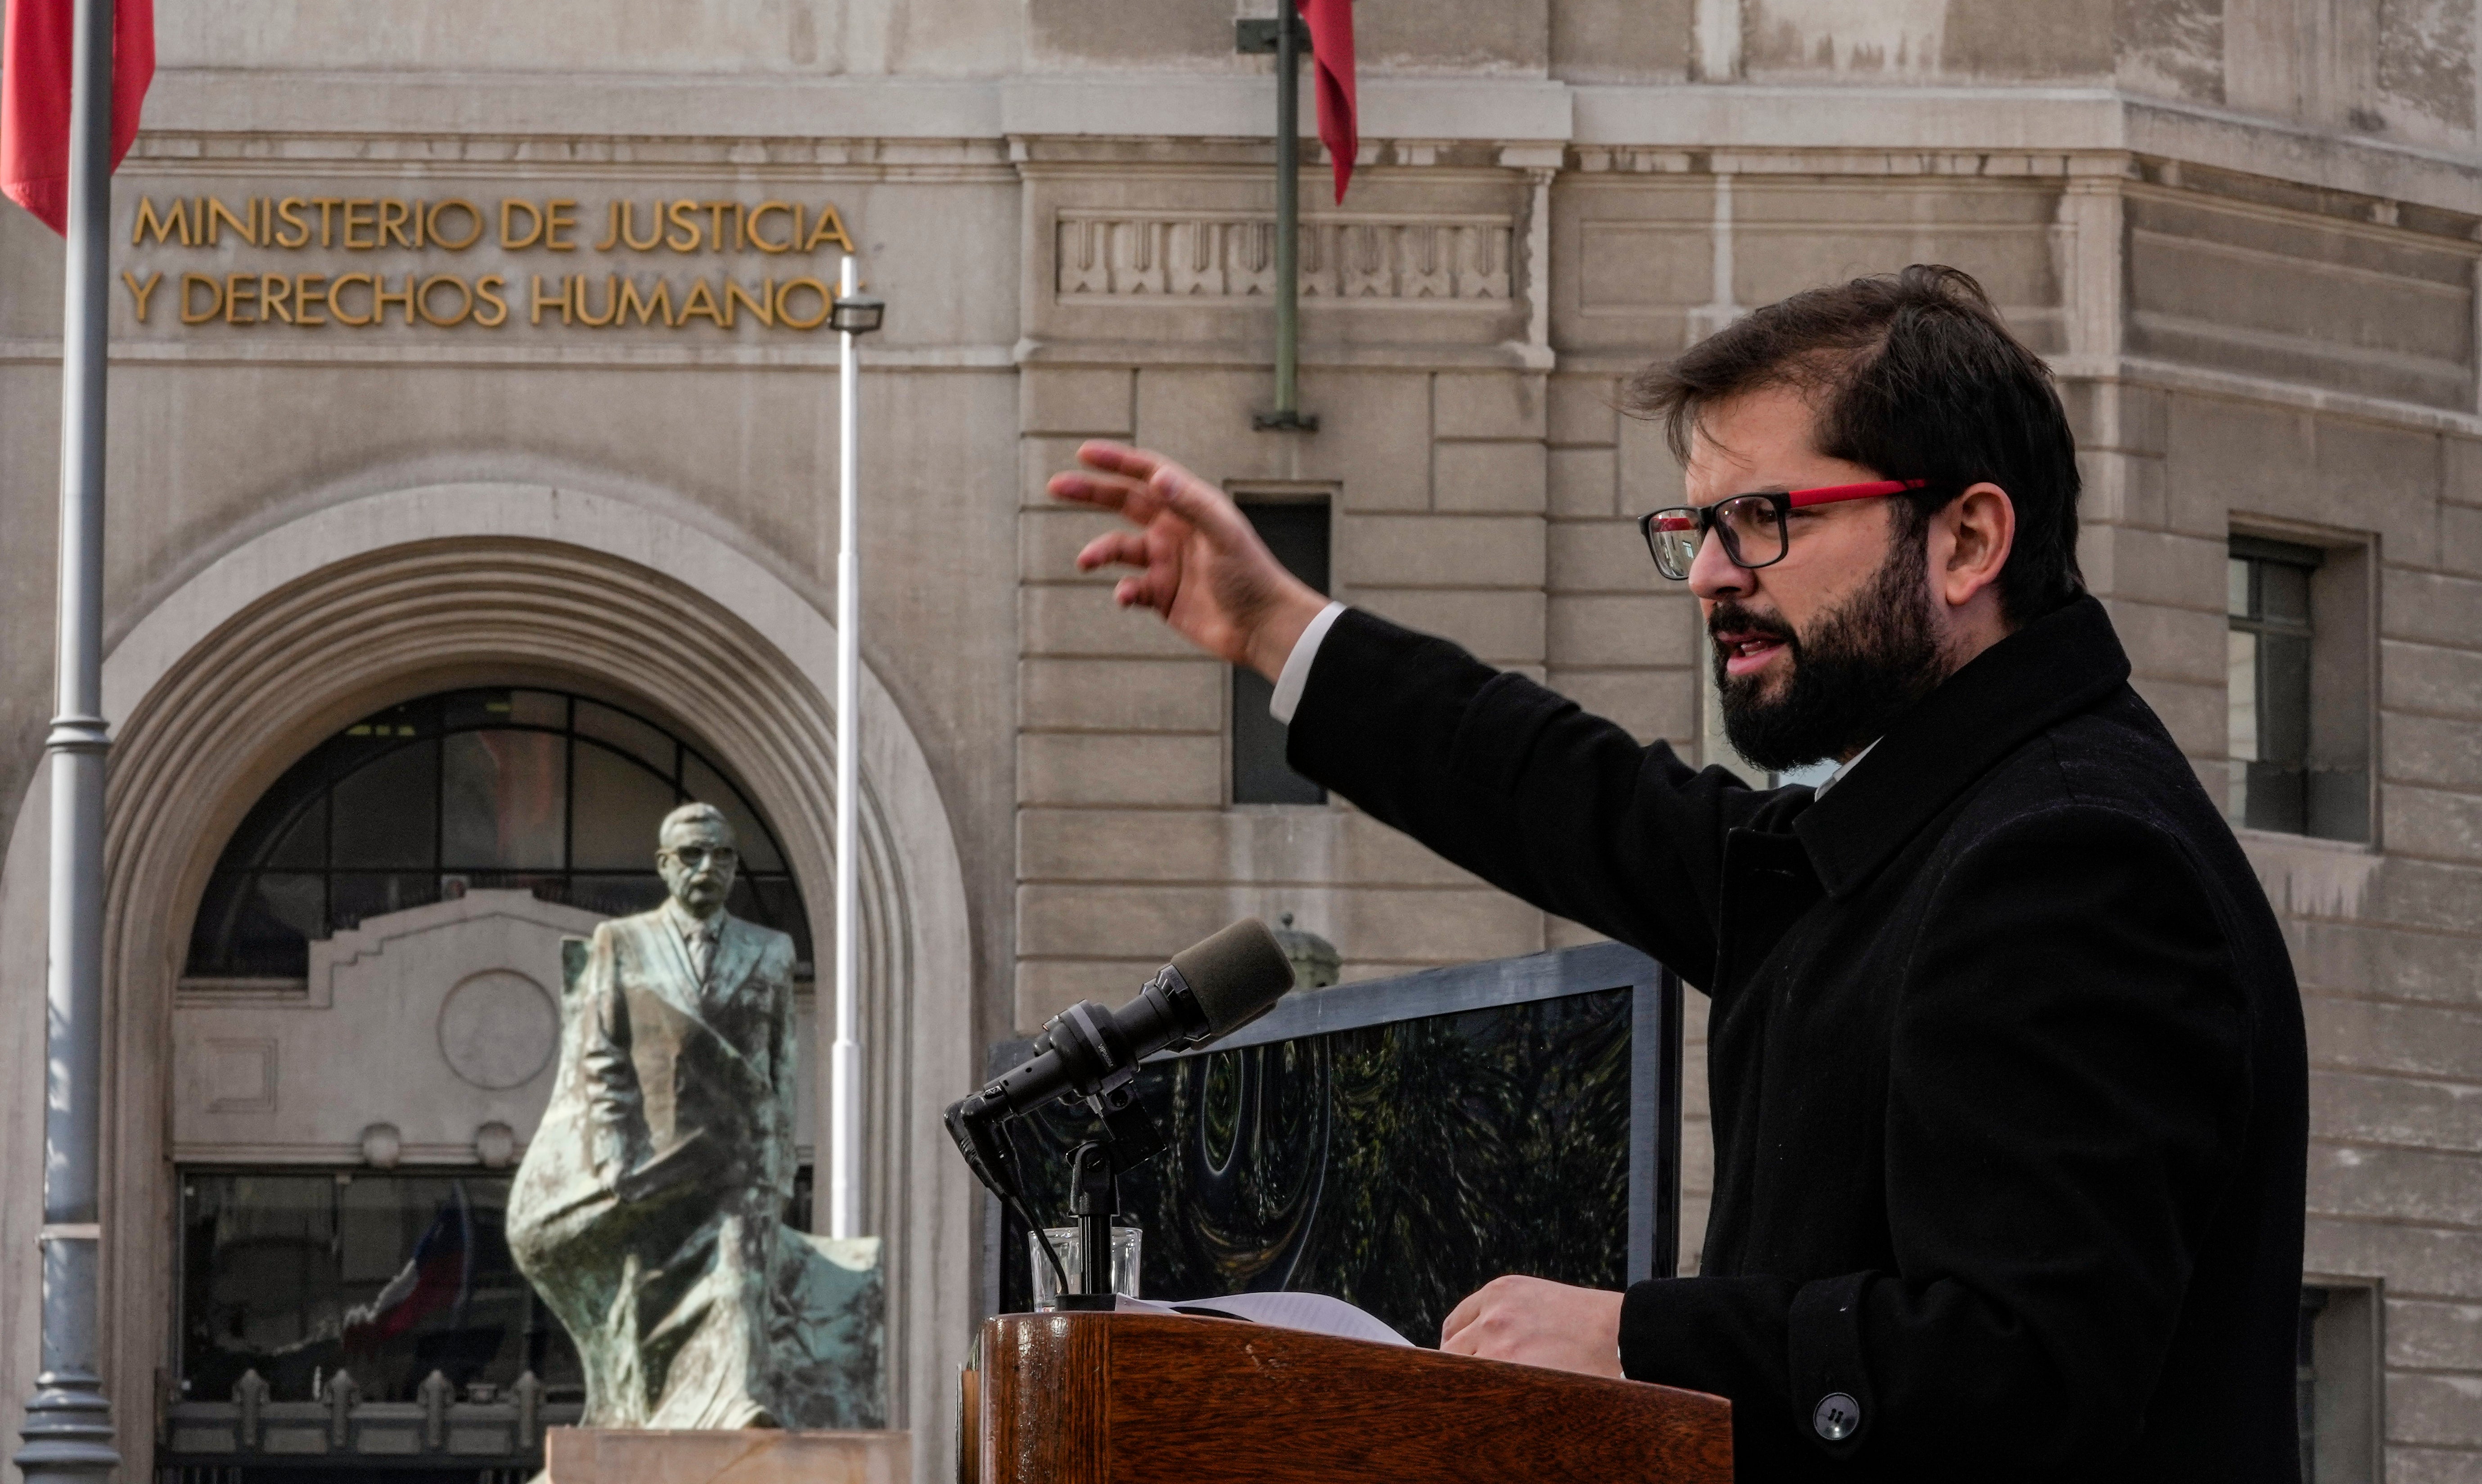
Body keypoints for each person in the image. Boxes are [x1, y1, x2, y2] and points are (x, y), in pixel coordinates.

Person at [1049, 265, 2309, 1482]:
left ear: (1967, 537)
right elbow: (1582, 798)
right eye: (1695, 528)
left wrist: (1632, 1340)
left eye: (1762, 518)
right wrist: (1276, 627)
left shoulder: (2072, 857)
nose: (1710, 573)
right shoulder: (1918, 829)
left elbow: (2024, 1373)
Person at [508, 802, 802, 1429]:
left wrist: (781, 1167)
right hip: (656, 1157)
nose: (708, 867)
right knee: (646, 1299)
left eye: (722, 855)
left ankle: (737, 1403)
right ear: (665, 866)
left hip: (739, 1159)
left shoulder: (772, 950)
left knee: (739, 1281)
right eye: (692, 854)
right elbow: (601, 1054)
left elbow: (782, 1066)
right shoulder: (624, 941)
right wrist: (614, 1153)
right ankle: (659, 1411)